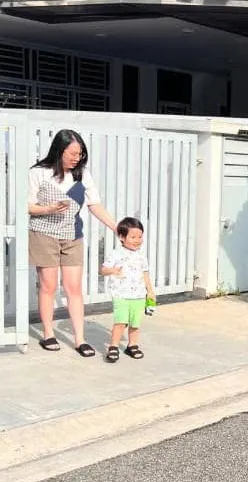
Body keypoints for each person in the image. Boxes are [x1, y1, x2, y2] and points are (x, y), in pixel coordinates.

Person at [28, 129, 118, 357]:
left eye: (80, 154)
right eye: (73, 153)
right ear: (59, 150)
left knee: (74, 288)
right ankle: (48, 333)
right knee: (48, 285)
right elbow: (27, 206)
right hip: (43, 233)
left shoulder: (82, 175)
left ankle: (80, 339)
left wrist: (117, 227)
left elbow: (94, 205)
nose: (77, 158)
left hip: (72, 235)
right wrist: (48, 209)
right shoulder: (39, 173)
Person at [100, 217, 155, 363]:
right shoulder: (116, 254)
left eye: (140, 236)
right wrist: (112, 270)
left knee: (135, 323)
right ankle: (113, 347)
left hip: (139, 296)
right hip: (121, 295)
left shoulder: (141, 257)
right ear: (122, 237)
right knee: (120, 322)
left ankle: (132, 345)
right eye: (133, 237)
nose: (137, 240)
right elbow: (103, 270)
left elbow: (145, 274)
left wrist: (150, 291)